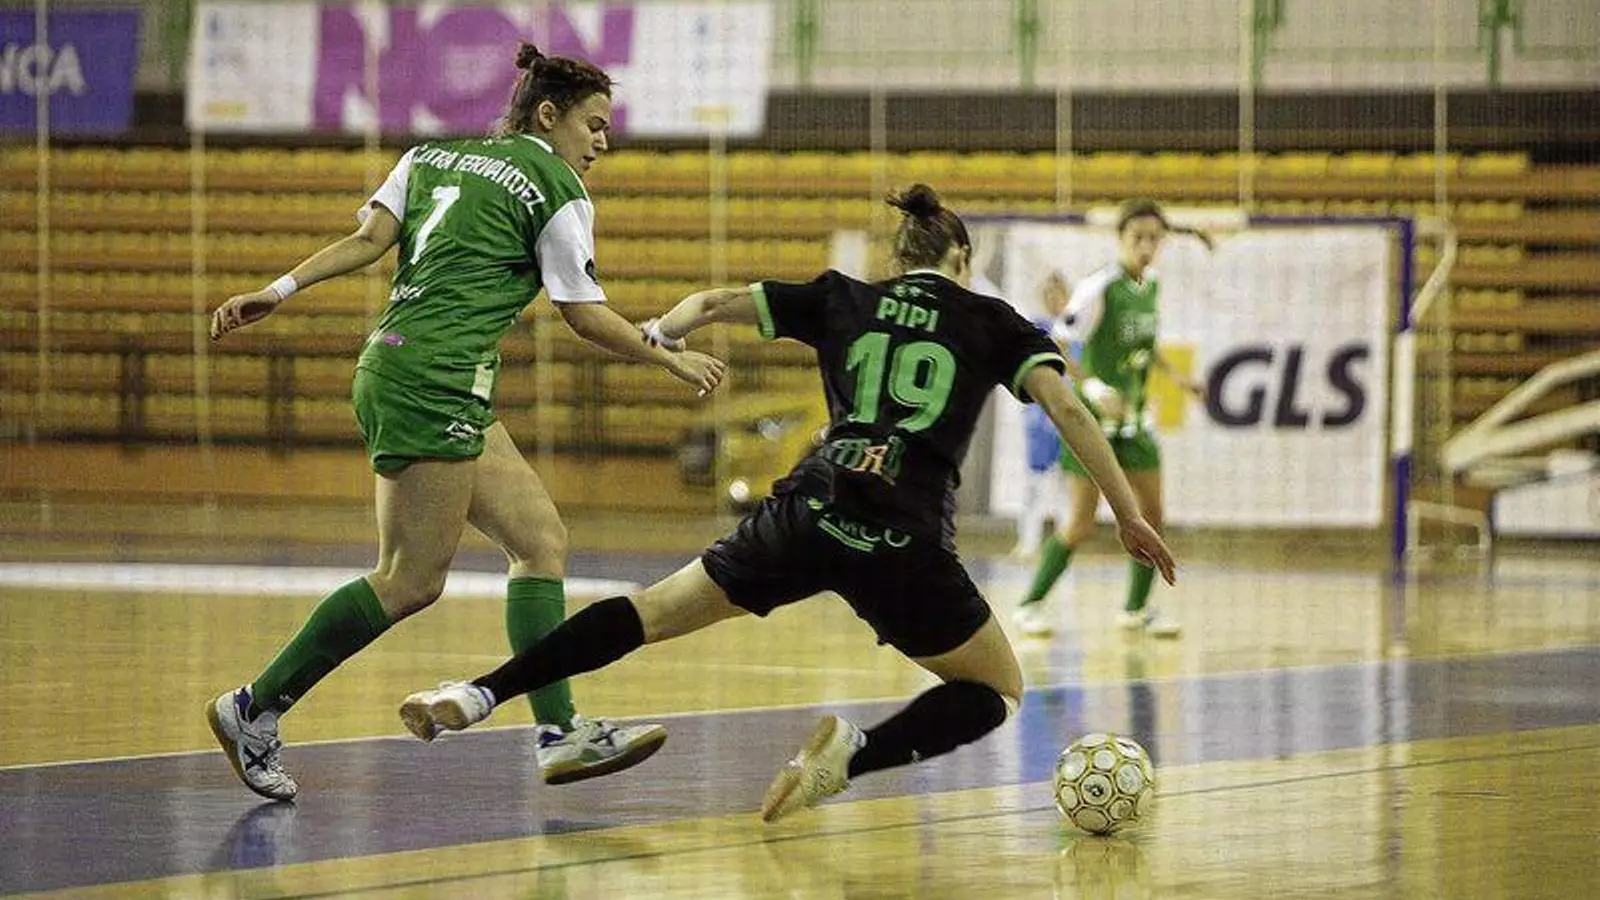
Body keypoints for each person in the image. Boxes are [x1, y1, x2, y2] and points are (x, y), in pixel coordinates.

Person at [395, 184, 1177, 823]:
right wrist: (1129, 514)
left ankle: (478, 692)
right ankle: (852, 757)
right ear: (962, 260)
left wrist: (663, 333)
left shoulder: (843, 297)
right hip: (902, 540)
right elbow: (1068, 409)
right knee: (996, 691)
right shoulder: (990, 320)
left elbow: (711, 302)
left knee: (649, 612)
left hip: (810, 510)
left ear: (897, 258)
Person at [203, 43, 727, 802]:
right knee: (408, 579)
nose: (603, 143)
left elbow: (367, 242)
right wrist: (666, 356)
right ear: (547, 115)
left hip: (404, 365)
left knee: (540, 541)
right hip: (437, 380)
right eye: (594, 125)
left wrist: (277, 289)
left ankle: (560, 732)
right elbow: (582, 315)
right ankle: (254, 707)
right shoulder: (557, 187)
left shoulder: (430, 157)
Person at [1012, 199, 1203, 639]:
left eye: (1154, 238)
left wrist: (1180, 380)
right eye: (1137, 237)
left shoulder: (1152, 285)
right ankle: (1029, 605)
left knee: (1152, 515)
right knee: (1081, 522)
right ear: (1121, 239)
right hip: (1093, 424)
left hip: (1134, 423)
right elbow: (1058, 341)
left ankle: (1136, 609)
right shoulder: (1098, 287)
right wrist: (1094, 386)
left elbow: (1146, 346)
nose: (1146, 246)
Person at [1008, 271, 1071, 560]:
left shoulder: (1075, 330)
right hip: (1040, 418)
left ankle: (1063, 544)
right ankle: (1028, 542)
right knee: (1034, 483)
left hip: (1068, 418)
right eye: (1050, 295)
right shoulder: (1036, 329)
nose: (1055, 300)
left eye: (1059, 295)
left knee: (1065, 485)